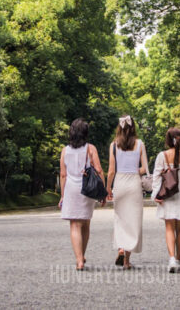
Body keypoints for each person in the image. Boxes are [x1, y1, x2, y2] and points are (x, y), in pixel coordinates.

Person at [105, 115, 150, 269]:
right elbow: (144, 169)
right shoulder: (140, 144)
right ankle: (126, 261)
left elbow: (111, 171)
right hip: (134, 183)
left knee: (120, 219)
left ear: (119, 127)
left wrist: (108, 188)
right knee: (133, 220)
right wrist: (135, 169)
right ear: (133, 127)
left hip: (120, 182)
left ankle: (121, 249)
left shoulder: (113, 145)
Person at [58, 118, 104, 270]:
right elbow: (98, 170)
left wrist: (63, 196)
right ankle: (81, 255)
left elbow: (63, 175)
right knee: (85, 224)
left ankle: (79, 260)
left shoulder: (65, 150)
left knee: (74, 225)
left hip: (71, 188)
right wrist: (102, 192)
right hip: (87, 189)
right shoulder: (91, 148)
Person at [151, 127, 180, 273]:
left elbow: (156, 177)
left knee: (169, 227)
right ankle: (178, 259)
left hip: (168, 192)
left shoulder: (162, 156)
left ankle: (171, 259)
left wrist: (157, 194)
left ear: (168, 140)